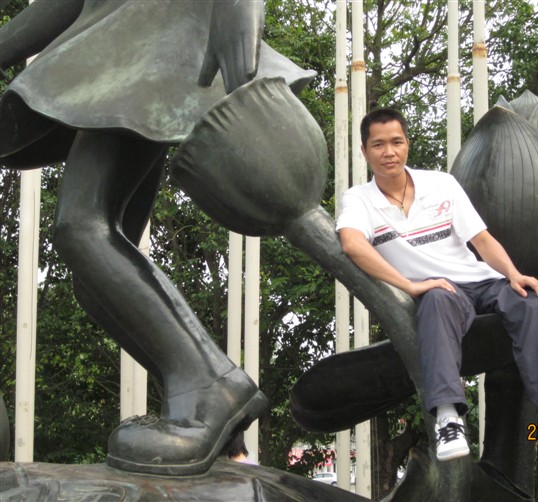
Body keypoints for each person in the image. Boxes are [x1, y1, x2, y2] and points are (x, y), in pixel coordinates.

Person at [1, 0, 313, 476]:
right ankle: (206, 404)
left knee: (81, 227)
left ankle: (211, 387)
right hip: (124, 53)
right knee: (100, 275)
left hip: (151, 46)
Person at [336, 108, 538, 461]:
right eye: (378, 145)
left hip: (481, 282)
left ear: (407, 144)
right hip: (439, 291)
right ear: (365, 151)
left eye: (396, 142)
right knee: (436, 301)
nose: (389, 152)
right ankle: (448, 421)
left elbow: (481, 239)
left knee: (535, 303)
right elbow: (353, 245)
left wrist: (513, 274)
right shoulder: (359, 199)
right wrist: (409, 286)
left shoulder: (441, 184)